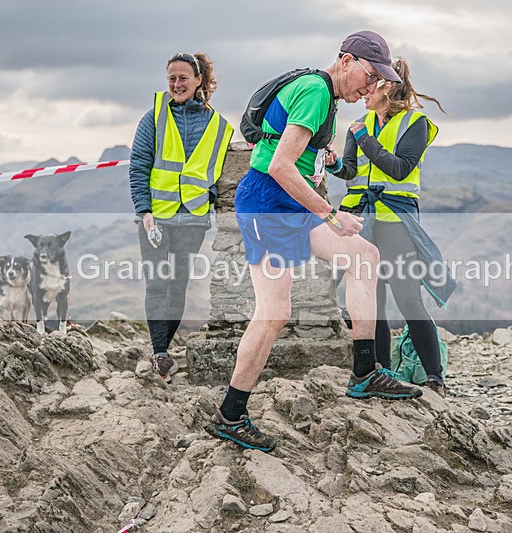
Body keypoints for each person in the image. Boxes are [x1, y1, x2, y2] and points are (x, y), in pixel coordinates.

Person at [206, 31, 423, 453]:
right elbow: (282, 165)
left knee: (364, 255)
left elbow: (296, 156)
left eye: (379, 79)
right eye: (369, 74)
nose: (372, 85)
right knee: (274, 312)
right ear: (346, 60)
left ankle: (364, 372)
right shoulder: (315, 90)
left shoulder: (324, 94)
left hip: (290, 201)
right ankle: (231, 414)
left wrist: (326, 163)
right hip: (269, 200)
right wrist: (330, 214)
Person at [325, 57, 449, 395]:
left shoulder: (415, 123)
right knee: (370, 300)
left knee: (408, 298)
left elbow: (399, 169)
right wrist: (336, 164)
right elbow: (351, 171)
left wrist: (365, 138)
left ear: (388, 85)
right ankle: (380, 372)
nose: (364, 91)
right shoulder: (359, 124)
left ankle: (435, 377)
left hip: (396, 222)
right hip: (362, 221)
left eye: (372, 83)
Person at [129, 52, 233, 382]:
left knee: (178, 286)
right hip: (156, 219)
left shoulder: (219, 126)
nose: (176, 84)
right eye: (171, 78)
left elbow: (218, 173)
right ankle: (160, 352)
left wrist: (209, 201)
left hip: (192, 220)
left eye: (183, 78)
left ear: (199, 80)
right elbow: (138, 167)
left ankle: (163, 348)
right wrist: (143, 211)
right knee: (157, 282)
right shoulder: (154, 118)